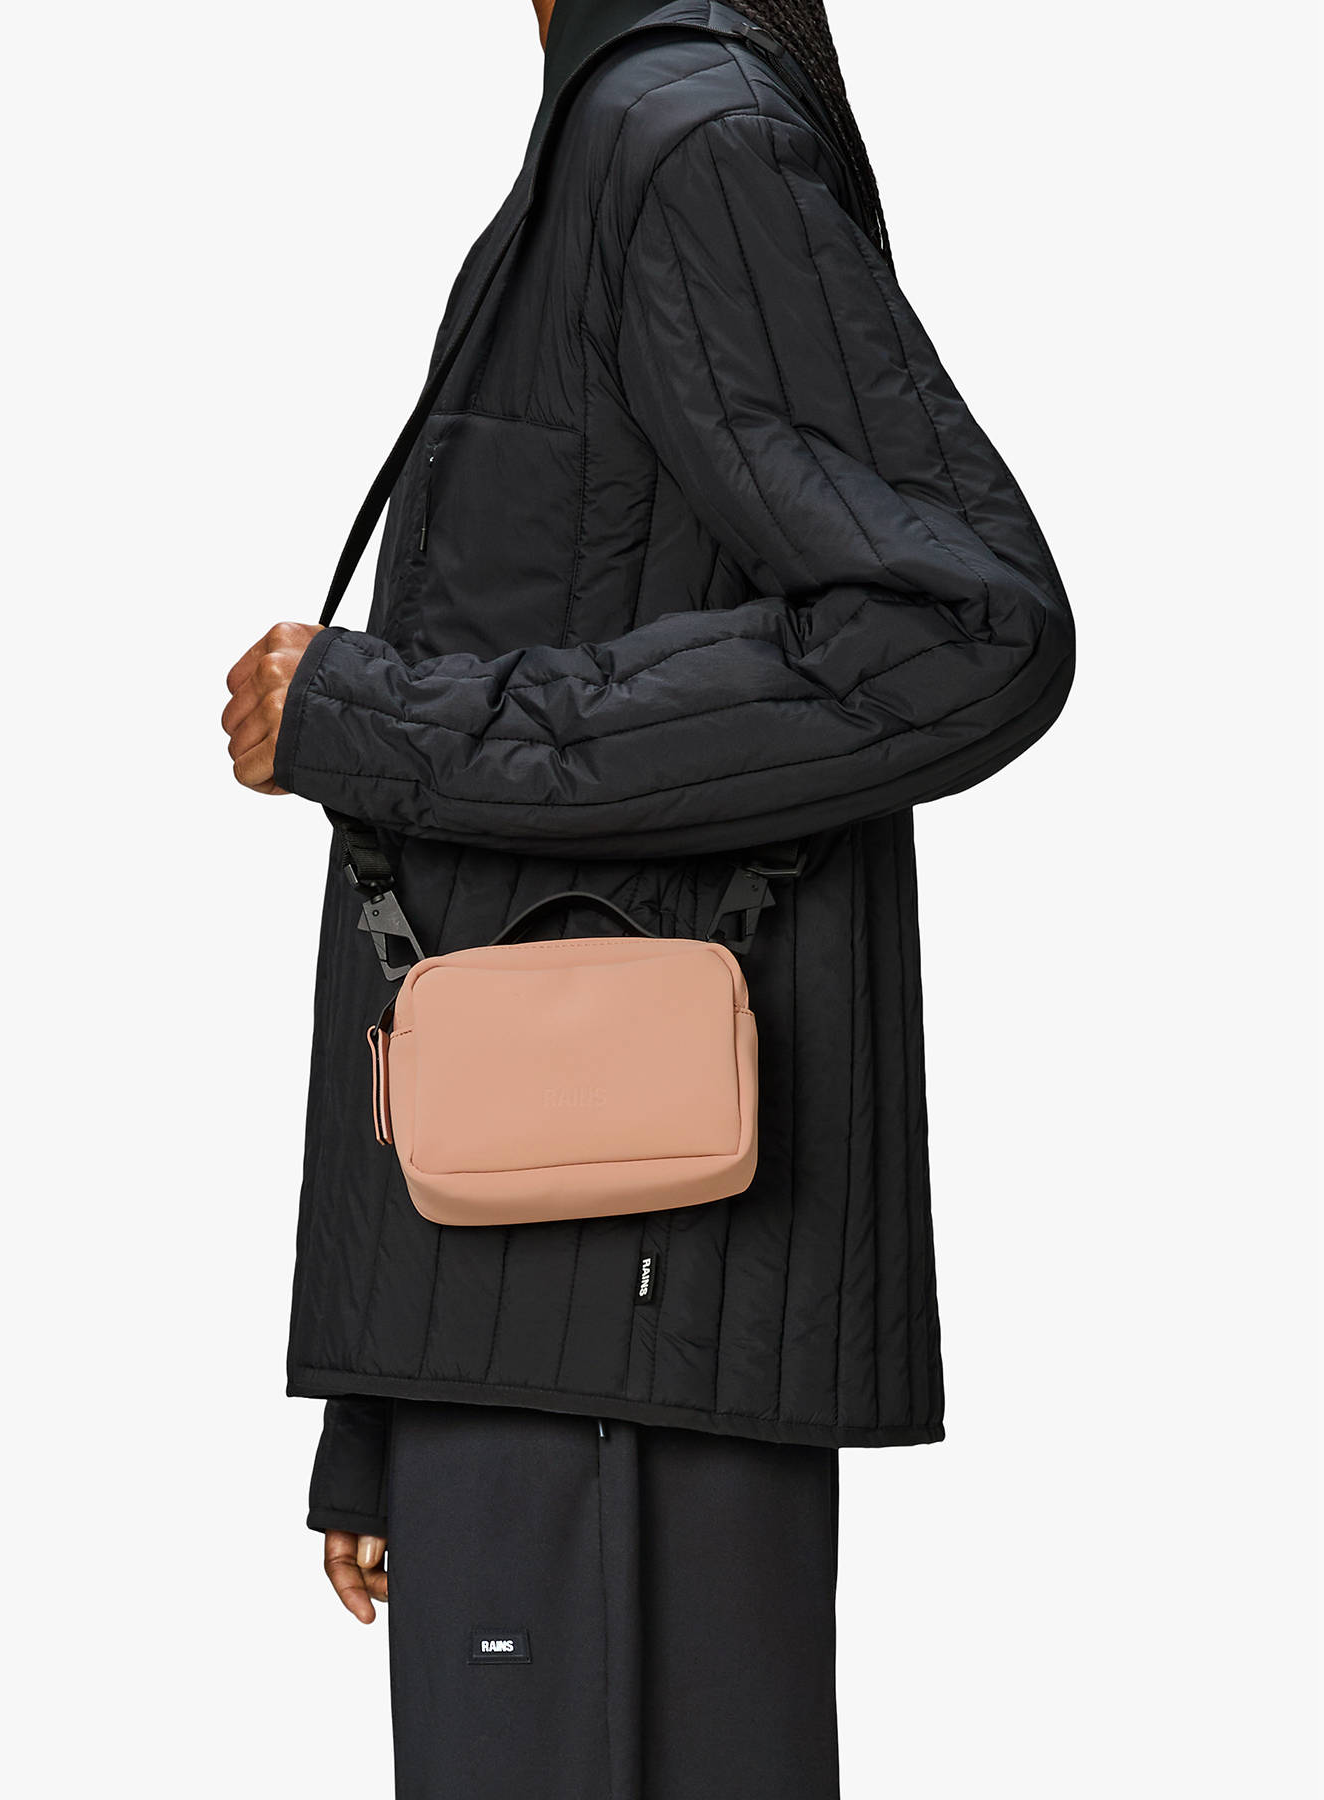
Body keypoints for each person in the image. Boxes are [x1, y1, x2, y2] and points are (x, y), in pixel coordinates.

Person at [221, 1, 1075, 1793]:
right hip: (526, 1298)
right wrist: (382, 1399)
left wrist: (385, 718)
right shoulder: (617, 136)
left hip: (627, 1301)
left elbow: (963, 630)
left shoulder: (684, 140)